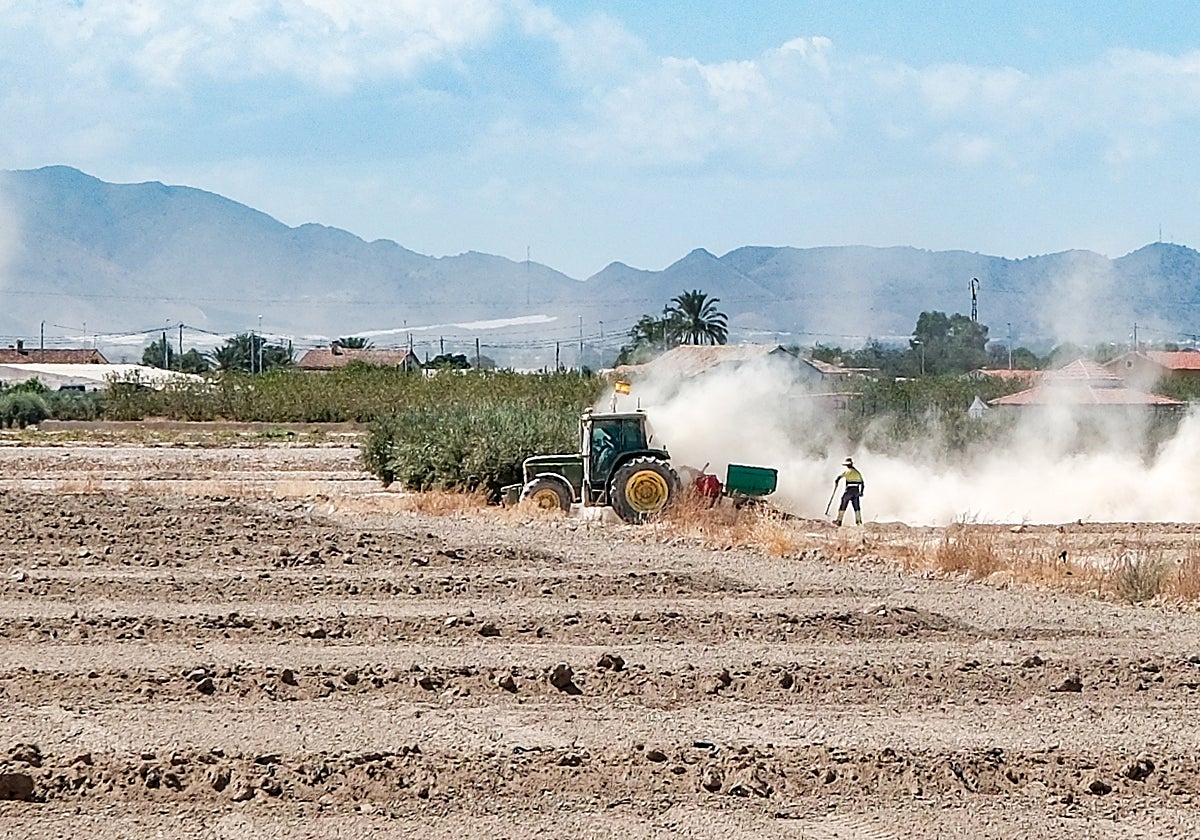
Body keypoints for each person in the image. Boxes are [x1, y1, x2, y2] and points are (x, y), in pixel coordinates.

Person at [832, 456, 865, 526]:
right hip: (856, 491)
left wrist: (836, 482)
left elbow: (838, 478)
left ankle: (839, 520)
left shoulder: (847, 472)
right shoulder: (857, 472)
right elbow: (862, 483)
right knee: (857, 507)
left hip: (849, 491)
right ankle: (859, 521)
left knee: (843, 504)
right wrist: (861, 492)